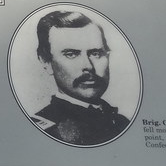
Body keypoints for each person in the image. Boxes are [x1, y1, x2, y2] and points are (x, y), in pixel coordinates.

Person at [31, 10, 130, 145]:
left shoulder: (121, 123)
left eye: (96, 53)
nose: (88, 66)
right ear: (46, 62)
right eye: (71, 54)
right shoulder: (42, 129)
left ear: (107, 57)